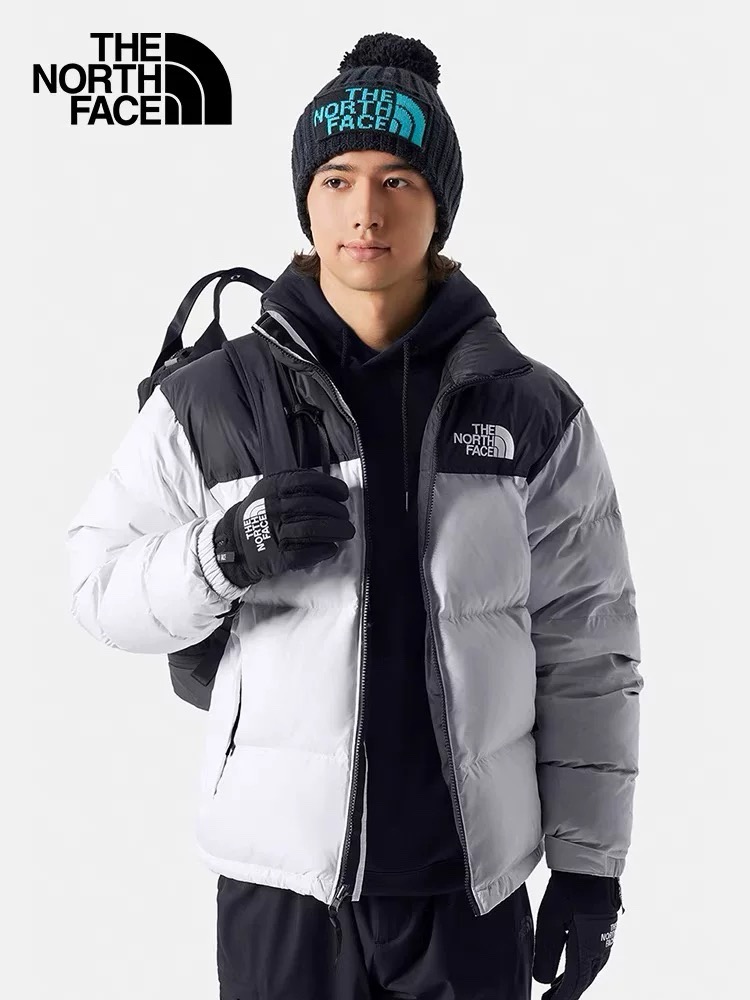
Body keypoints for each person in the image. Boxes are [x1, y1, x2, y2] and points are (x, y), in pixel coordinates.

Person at [66, 31, 643, 1000]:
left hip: (471, 892)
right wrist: (223, 551)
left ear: (440, 206)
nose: (365, 211)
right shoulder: (214, 399)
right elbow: (95, 588)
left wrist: (590, 868)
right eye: (337, 179)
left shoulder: (529, 411)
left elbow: (589, 646)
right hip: (284, 891)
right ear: (306, 199)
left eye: (397, 182)